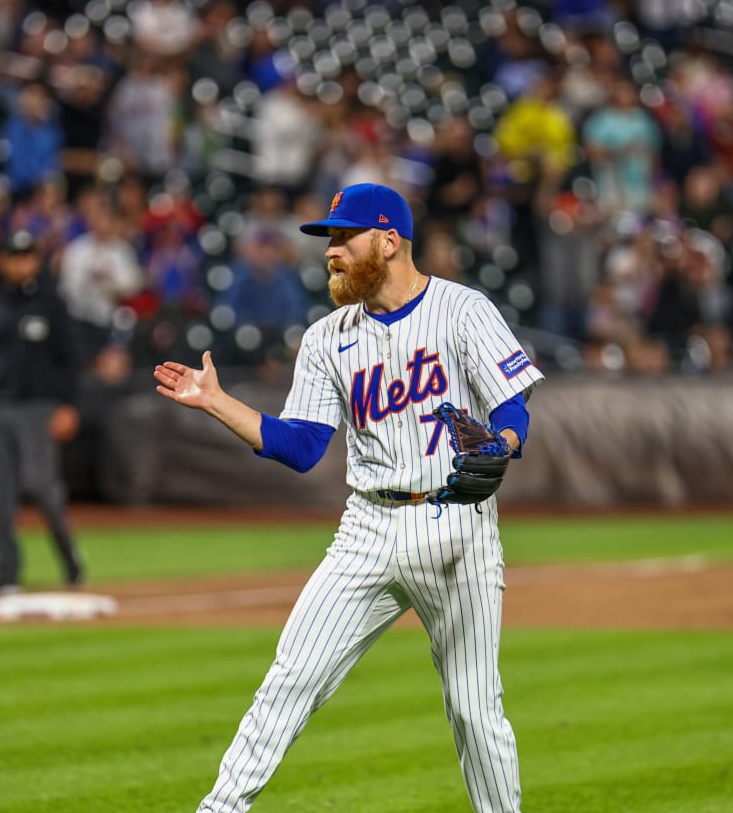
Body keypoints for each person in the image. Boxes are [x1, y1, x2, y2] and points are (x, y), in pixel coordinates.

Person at [153, 183, 542, 813]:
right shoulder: (327, 337)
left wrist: (501, 442)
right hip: (368, 527)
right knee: (290, 680)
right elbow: (303, 446)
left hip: (457, 525)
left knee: (475, 711)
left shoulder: (462, 309)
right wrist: (216, 401)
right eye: (328, 239)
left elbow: (510, 403)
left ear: (388, 242)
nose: (330, 251)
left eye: (342, 237)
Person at [0, 229, 85, 595]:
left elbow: (71, 361)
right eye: (15, 255)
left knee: (43, 488)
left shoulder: (50, 303)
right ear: (1, 261)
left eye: (28, 255)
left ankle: (70, 559)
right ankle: (6, 575)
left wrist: (68, 406)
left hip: (38, 409)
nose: (22, 262)